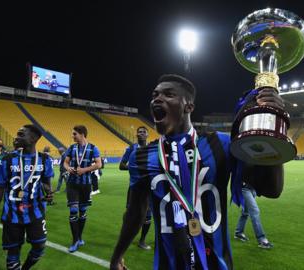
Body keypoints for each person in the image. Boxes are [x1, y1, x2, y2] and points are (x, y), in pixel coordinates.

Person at [110, 74, 284, 270]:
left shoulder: (220, 144)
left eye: (168, 94)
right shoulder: (141, 157)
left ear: (189, 106)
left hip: (217, 265)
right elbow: (135, 214)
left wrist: (273, 125)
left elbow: (271, 189)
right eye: (155, 95)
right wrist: (116, 257)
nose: (157, 99)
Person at [0, 125, 54, 270]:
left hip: (36, 212)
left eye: (21, 134)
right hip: (12, 213)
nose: (16, 137)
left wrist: (48, 192)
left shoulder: (44, 160)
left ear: (33, 138)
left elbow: (46, 183)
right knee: (13, 249)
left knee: (40, 246)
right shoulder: (8, 159)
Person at [63, 125, 102, 252]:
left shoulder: (93, 148)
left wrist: (84, 170)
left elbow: (99, 164)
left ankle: (79, 237)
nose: (72, 136)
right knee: (73, 211)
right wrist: (68, 168)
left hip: (85, 184)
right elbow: (65, 162)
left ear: (82, 134)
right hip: (72, 183)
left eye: (74, 134)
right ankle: (75, 241)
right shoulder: (71, 148)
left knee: (83, 211)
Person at [119, 126, 152, 250]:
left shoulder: (152, 149)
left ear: (147, 135)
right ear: (136, 135)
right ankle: (125, 236)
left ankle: (142, 241)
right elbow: (121, 166)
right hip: (134, 187)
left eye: (144, 132)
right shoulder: (131, 148)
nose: (141, 134)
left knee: (148, 216)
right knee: (129, 214)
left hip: (149, 188)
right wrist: (134, 168)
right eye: (139, 132)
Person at [234, 173, 273, 249]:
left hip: (253, 189)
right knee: (255, 211)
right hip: (245, 188)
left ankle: (238, 233)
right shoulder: (246, 161)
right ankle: (261, 240)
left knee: (245, 212)